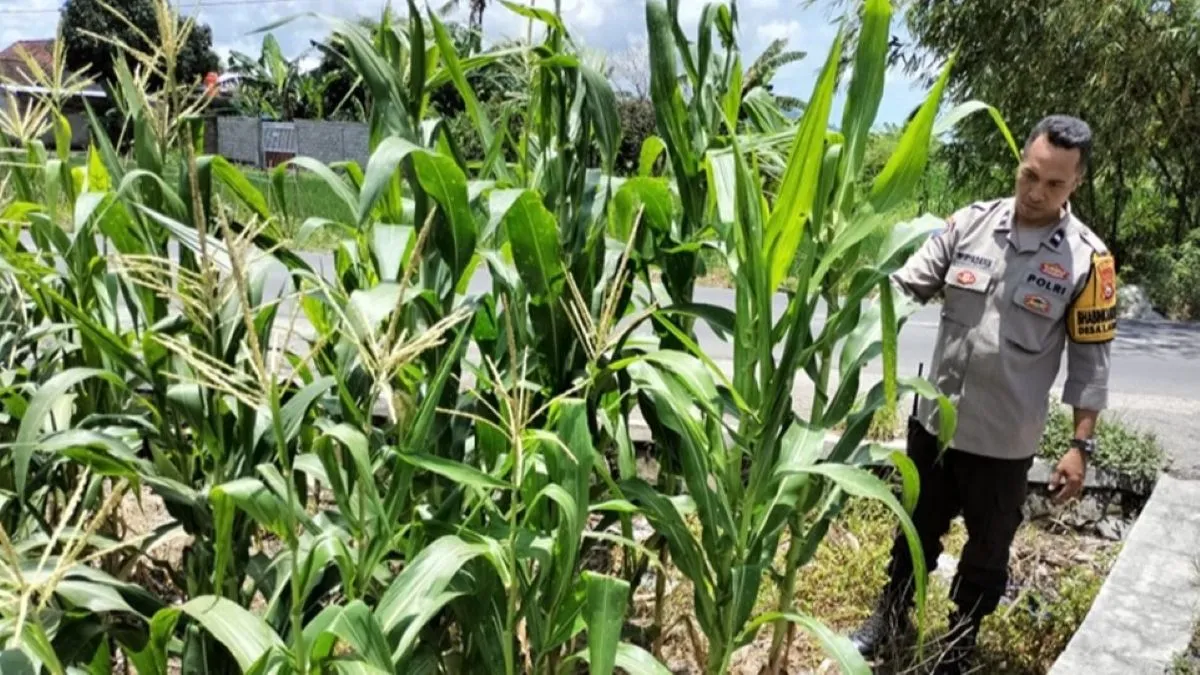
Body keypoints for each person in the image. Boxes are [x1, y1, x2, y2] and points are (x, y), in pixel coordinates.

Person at [848, 115, 1117, 674]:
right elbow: (905, 283)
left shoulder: (1088, 261)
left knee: (987, 553)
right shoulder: (969, 225)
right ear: (1020, 160)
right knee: (914, 529)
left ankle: (960, 644)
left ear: (1077, 183)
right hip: (935, 425)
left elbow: (1091, 364)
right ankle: (890, 616)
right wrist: (852, 291)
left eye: (1054, 184)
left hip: (1004, 440)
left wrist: (1079, 446)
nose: (1037, 192)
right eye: (1030, 176)